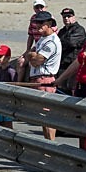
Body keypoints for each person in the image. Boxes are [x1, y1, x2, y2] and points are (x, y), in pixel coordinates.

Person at [25, 10, 62, 141]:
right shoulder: (43, 39)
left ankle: (51, 144)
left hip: (45, 79)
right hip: (39, 79)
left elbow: (36, 61)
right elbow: (31, 54)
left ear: (49, 24)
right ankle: (48, 144)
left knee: (47, 116)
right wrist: (31, 54)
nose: (38, 26)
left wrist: (31, 55)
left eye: (41, 23)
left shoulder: (51, 42)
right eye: (37, 23)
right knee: (43, 117)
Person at [57, 7, 86, 93]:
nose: (66, 18)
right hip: (62, 64)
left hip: (73, 65)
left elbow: (70, 43)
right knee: (61, 90)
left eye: (68, 16)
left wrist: (60, 42)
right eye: (64, 17)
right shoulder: (62, 31)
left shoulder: (79, 30)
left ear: (73, 17)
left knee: (72, 89)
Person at [0, 45, 16, 129]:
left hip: (8, 101)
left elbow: (14, 85)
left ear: (8, 58)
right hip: (0, 100)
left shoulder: (11, 71)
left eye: (0, 56)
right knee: (1, 122)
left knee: (7, 122)